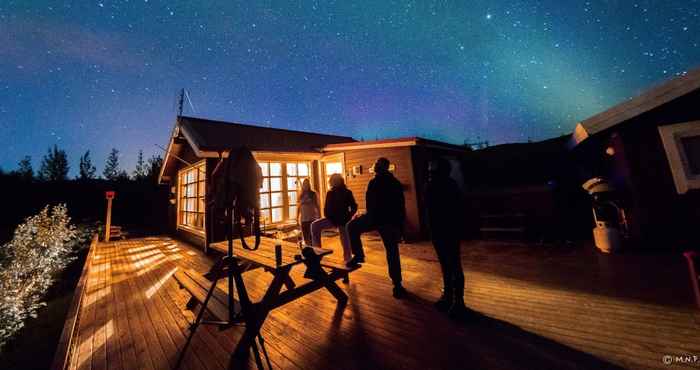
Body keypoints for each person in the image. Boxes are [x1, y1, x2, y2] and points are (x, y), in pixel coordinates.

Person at [347, 157, 407, 298]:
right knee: (352, 226)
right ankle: (359, 255)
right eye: (376, 164)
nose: (376, 166)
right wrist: (364, 216)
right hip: (374, 218)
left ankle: (397, 285)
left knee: (392, 252)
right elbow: (370, 204)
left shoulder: (393, 183)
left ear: (384, 167)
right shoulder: (374, 182)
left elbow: (400, 207)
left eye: (378, 165)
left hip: (388, 222)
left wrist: (399, 227)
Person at [424, 158, 467, 317]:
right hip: (439, 231)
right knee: (446, 264)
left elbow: (456, 209)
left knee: (453, 264)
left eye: (432, 170)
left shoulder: (445, 186)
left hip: (447, 230)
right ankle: (449, 296)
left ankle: (458, 301)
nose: (429, 172)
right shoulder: (444, 185)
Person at [311, 173, 357, 263]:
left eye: (336, 180)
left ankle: (348, 258)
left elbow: (354, 206)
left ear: (340, 181)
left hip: (343, 220)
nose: (333, 182)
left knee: (345, 238)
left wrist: (349, 216)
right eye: (332, 181)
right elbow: (326, 207)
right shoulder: (330, 193)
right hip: (331, 219)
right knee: (314, 225)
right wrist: (327, 216)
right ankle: (318, 252)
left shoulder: (347, 192)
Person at [296, 178, 320, 246]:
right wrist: (297, 217)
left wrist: (319, 216)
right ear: (303, 185)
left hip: (312, 219)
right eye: (304, 184)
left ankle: (314, 251)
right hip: (303, 220)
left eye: (307, 184)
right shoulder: (300, 195)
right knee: (306, 238)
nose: (305, 186)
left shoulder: (313, 194)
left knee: (312, 238)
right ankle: (308, 251)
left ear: (309, 185)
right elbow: (298, 207)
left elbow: (317, 206)